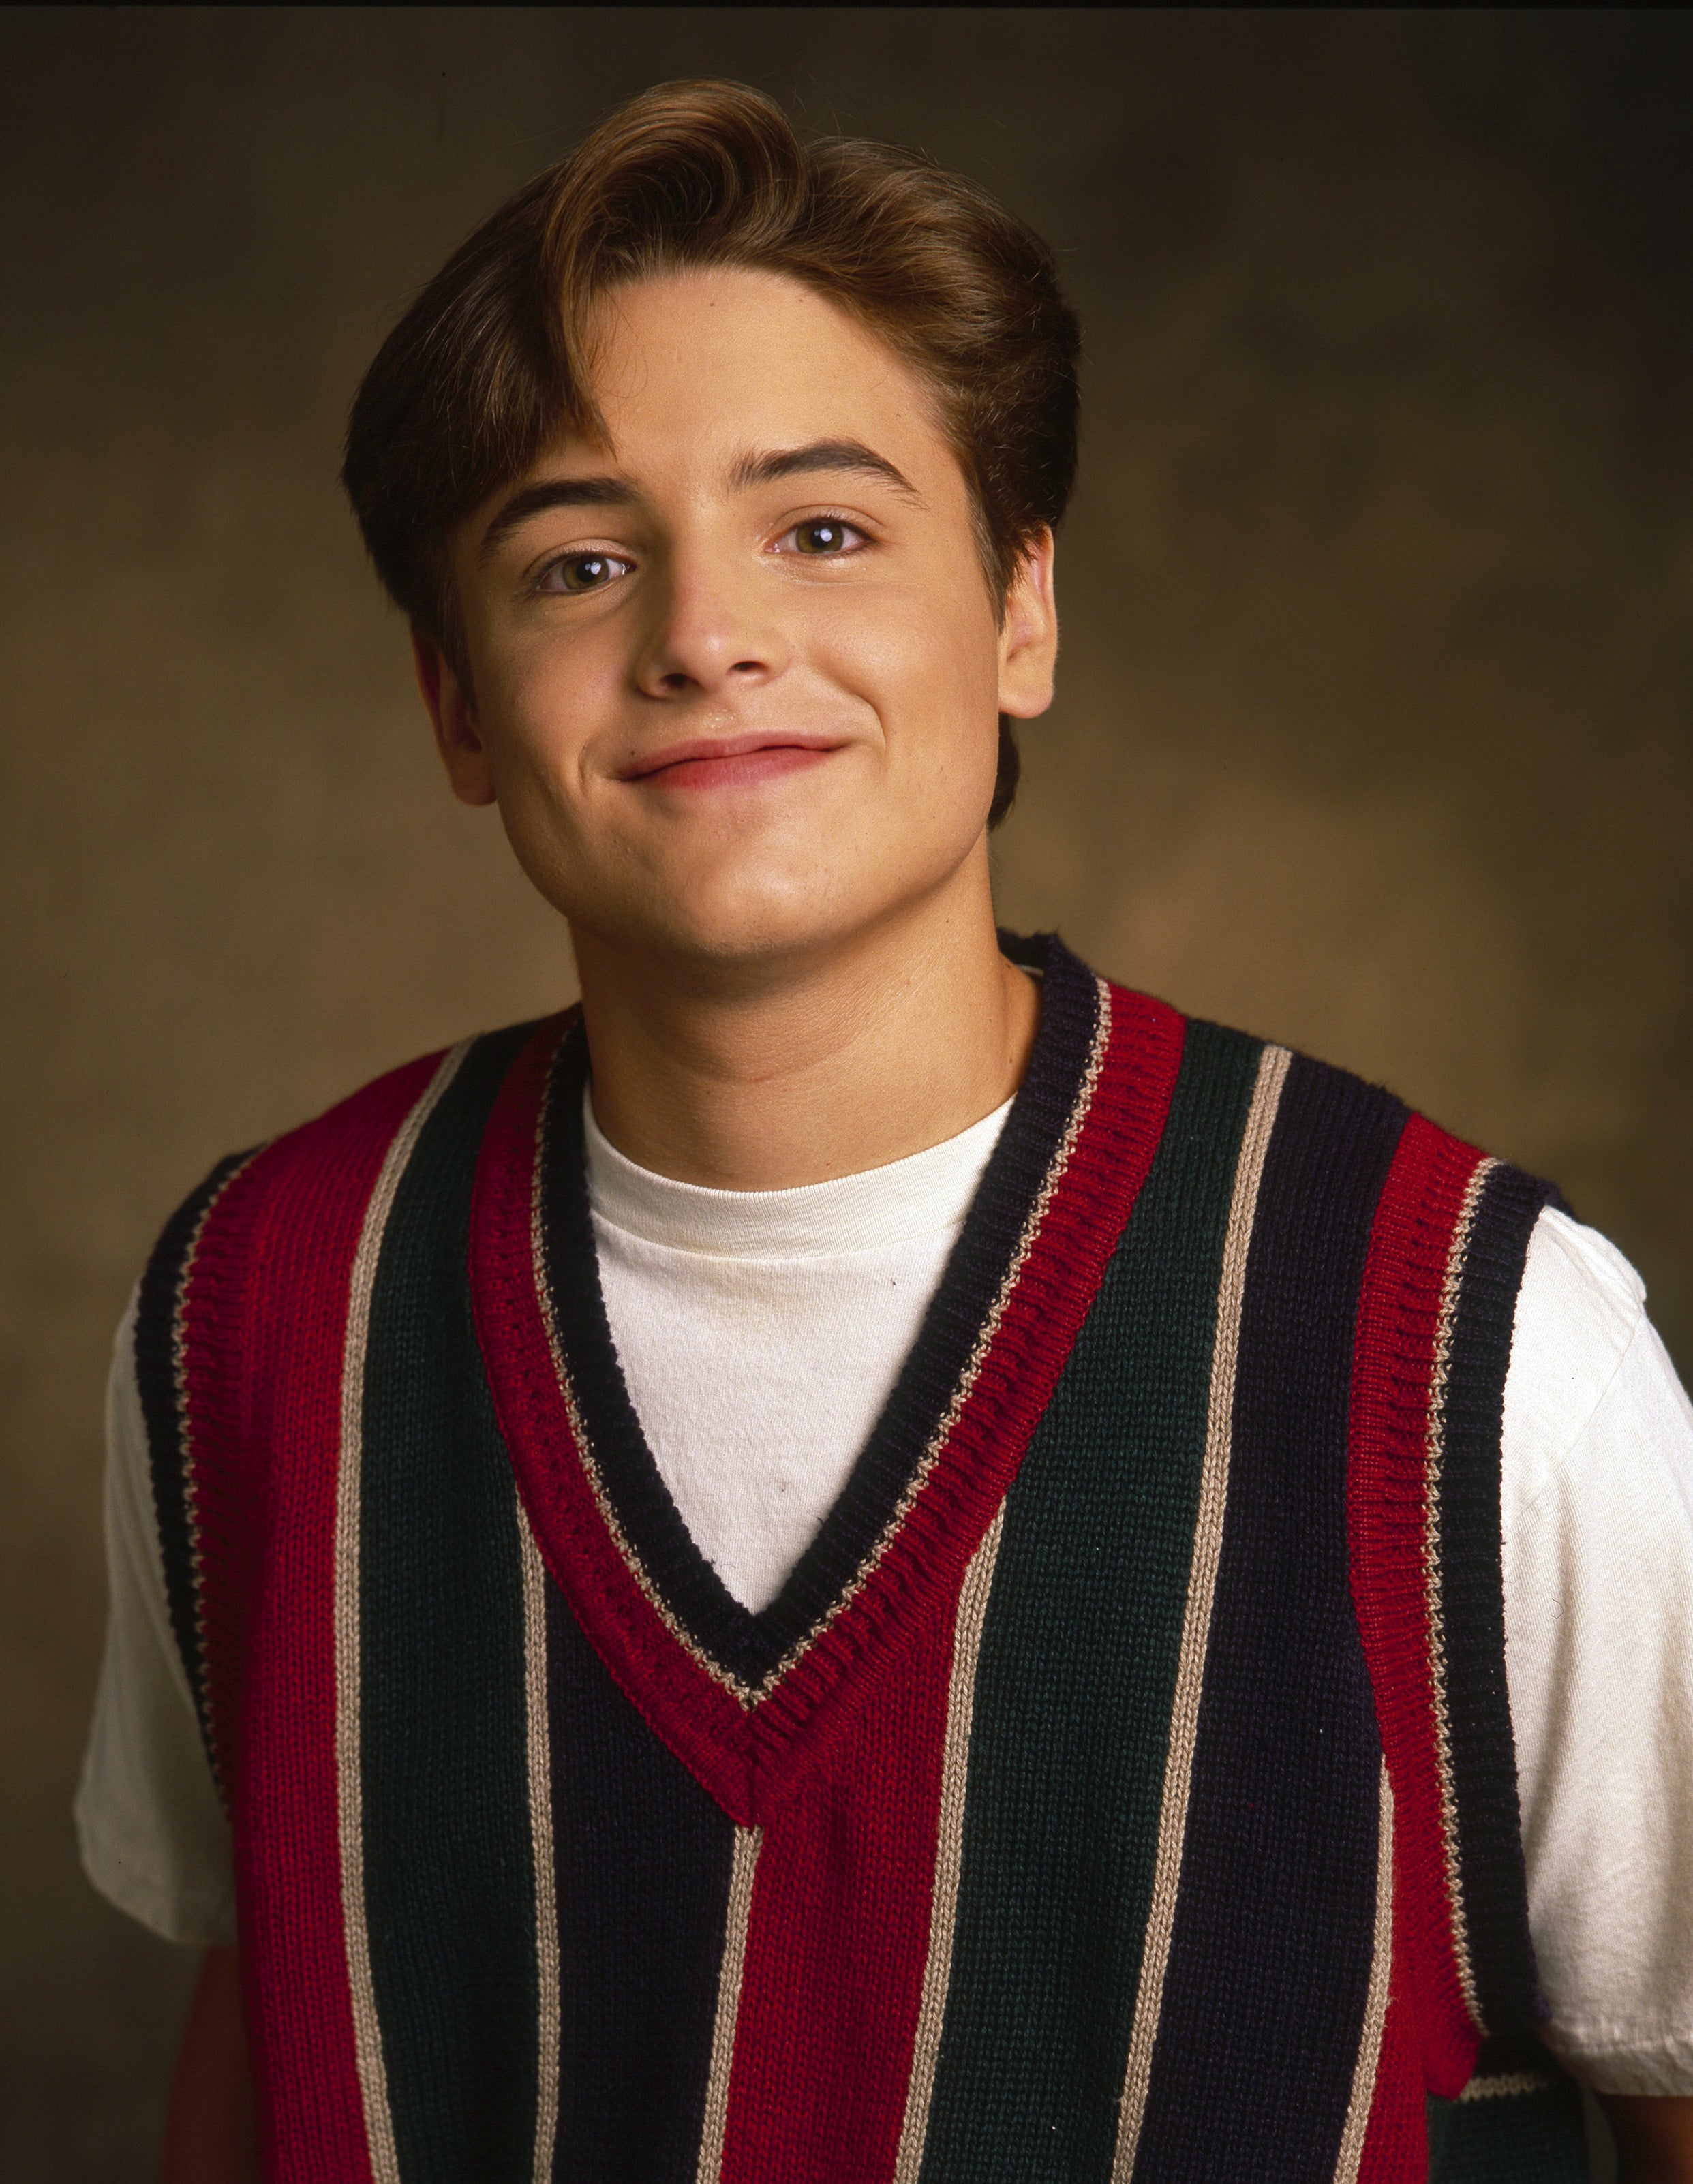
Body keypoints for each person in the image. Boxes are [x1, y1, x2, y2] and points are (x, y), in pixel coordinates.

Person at [76, 79, 1693, 2184]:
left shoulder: (1473, 1346)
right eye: (578, 560)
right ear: (457, 708)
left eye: (822, 529)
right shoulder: (255, 1315)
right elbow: (287, 2042)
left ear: (1020, 611)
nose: (703, 635)